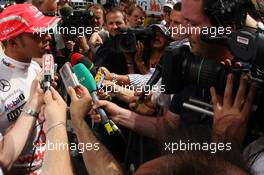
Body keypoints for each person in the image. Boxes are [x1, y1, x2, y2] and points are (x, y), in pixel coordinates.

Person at [0, 3, 60, 174]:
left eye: (46, 30)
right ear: (13, 42)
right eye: (38, 33)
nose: (47, 36)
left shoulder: (35, 67)